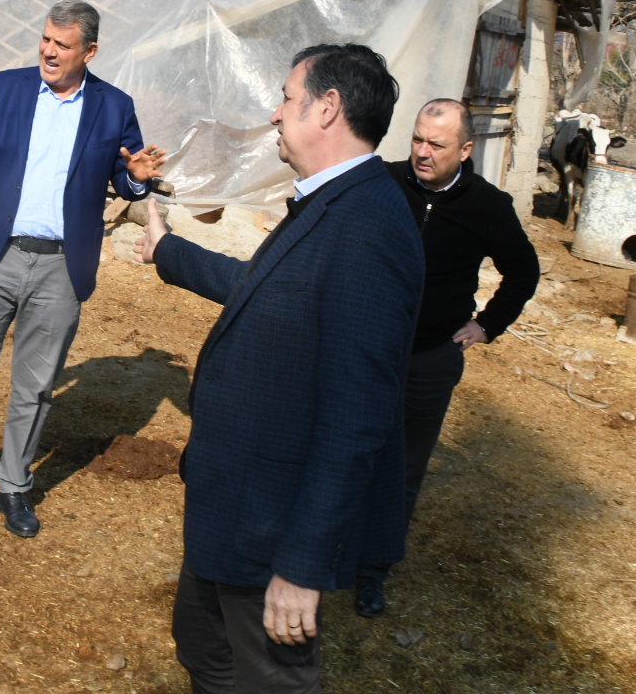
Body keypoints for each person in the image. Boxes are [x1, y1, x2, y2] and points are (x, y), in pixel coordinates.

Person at [135, 43, 423, 693]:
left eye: (287, 99)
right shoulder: (330, 202)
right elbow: (265, 286)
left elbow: (357, 419)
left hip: (272, 525)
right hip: (234, 506)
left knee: (270, 679)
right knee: (204, 650)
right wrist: (169, 250)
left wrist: (302, 564)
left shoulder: (368, 228)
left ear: (327, 108)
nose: (274, 114)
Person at [0, 0, 166, 538]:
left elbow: (126, 177)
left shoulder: (114, 106)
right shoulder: (6, 87)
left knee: (37, 385)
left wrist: (137, 180)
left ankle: (14, 484)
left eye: (62, 44)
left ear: (89, 51)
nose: (49, 51)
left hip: (62, 266)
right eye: (45, 39)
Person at [353, 97, 540, 619]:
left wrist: (487, 325)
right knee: (345, 449)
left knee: (403, 466)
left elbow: (524, 272)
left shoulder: (488, 206)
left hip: (430, 359)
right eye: (417, 139)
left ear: (465, 149)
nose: (422, 152)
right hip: (365, 350)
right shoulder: (381, 181)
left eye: (436, 144)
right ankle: (328, 547)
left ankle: (373, 569)